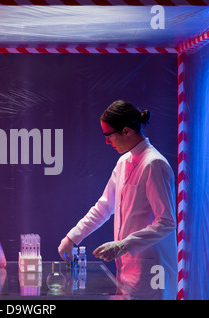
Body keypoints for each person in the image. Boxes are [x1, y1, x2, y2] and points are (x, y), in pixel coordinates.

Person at [58, 100, 177, 300]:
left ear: (126, 131)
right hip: (128, 268)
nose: (106, 141)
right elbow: (104, 207)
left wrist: (124, 245)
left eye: (108, 135)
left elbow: (166, 222)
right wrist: (72, 237)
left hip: (152, 269)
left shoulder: (154, 164)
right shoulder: (123, 162)